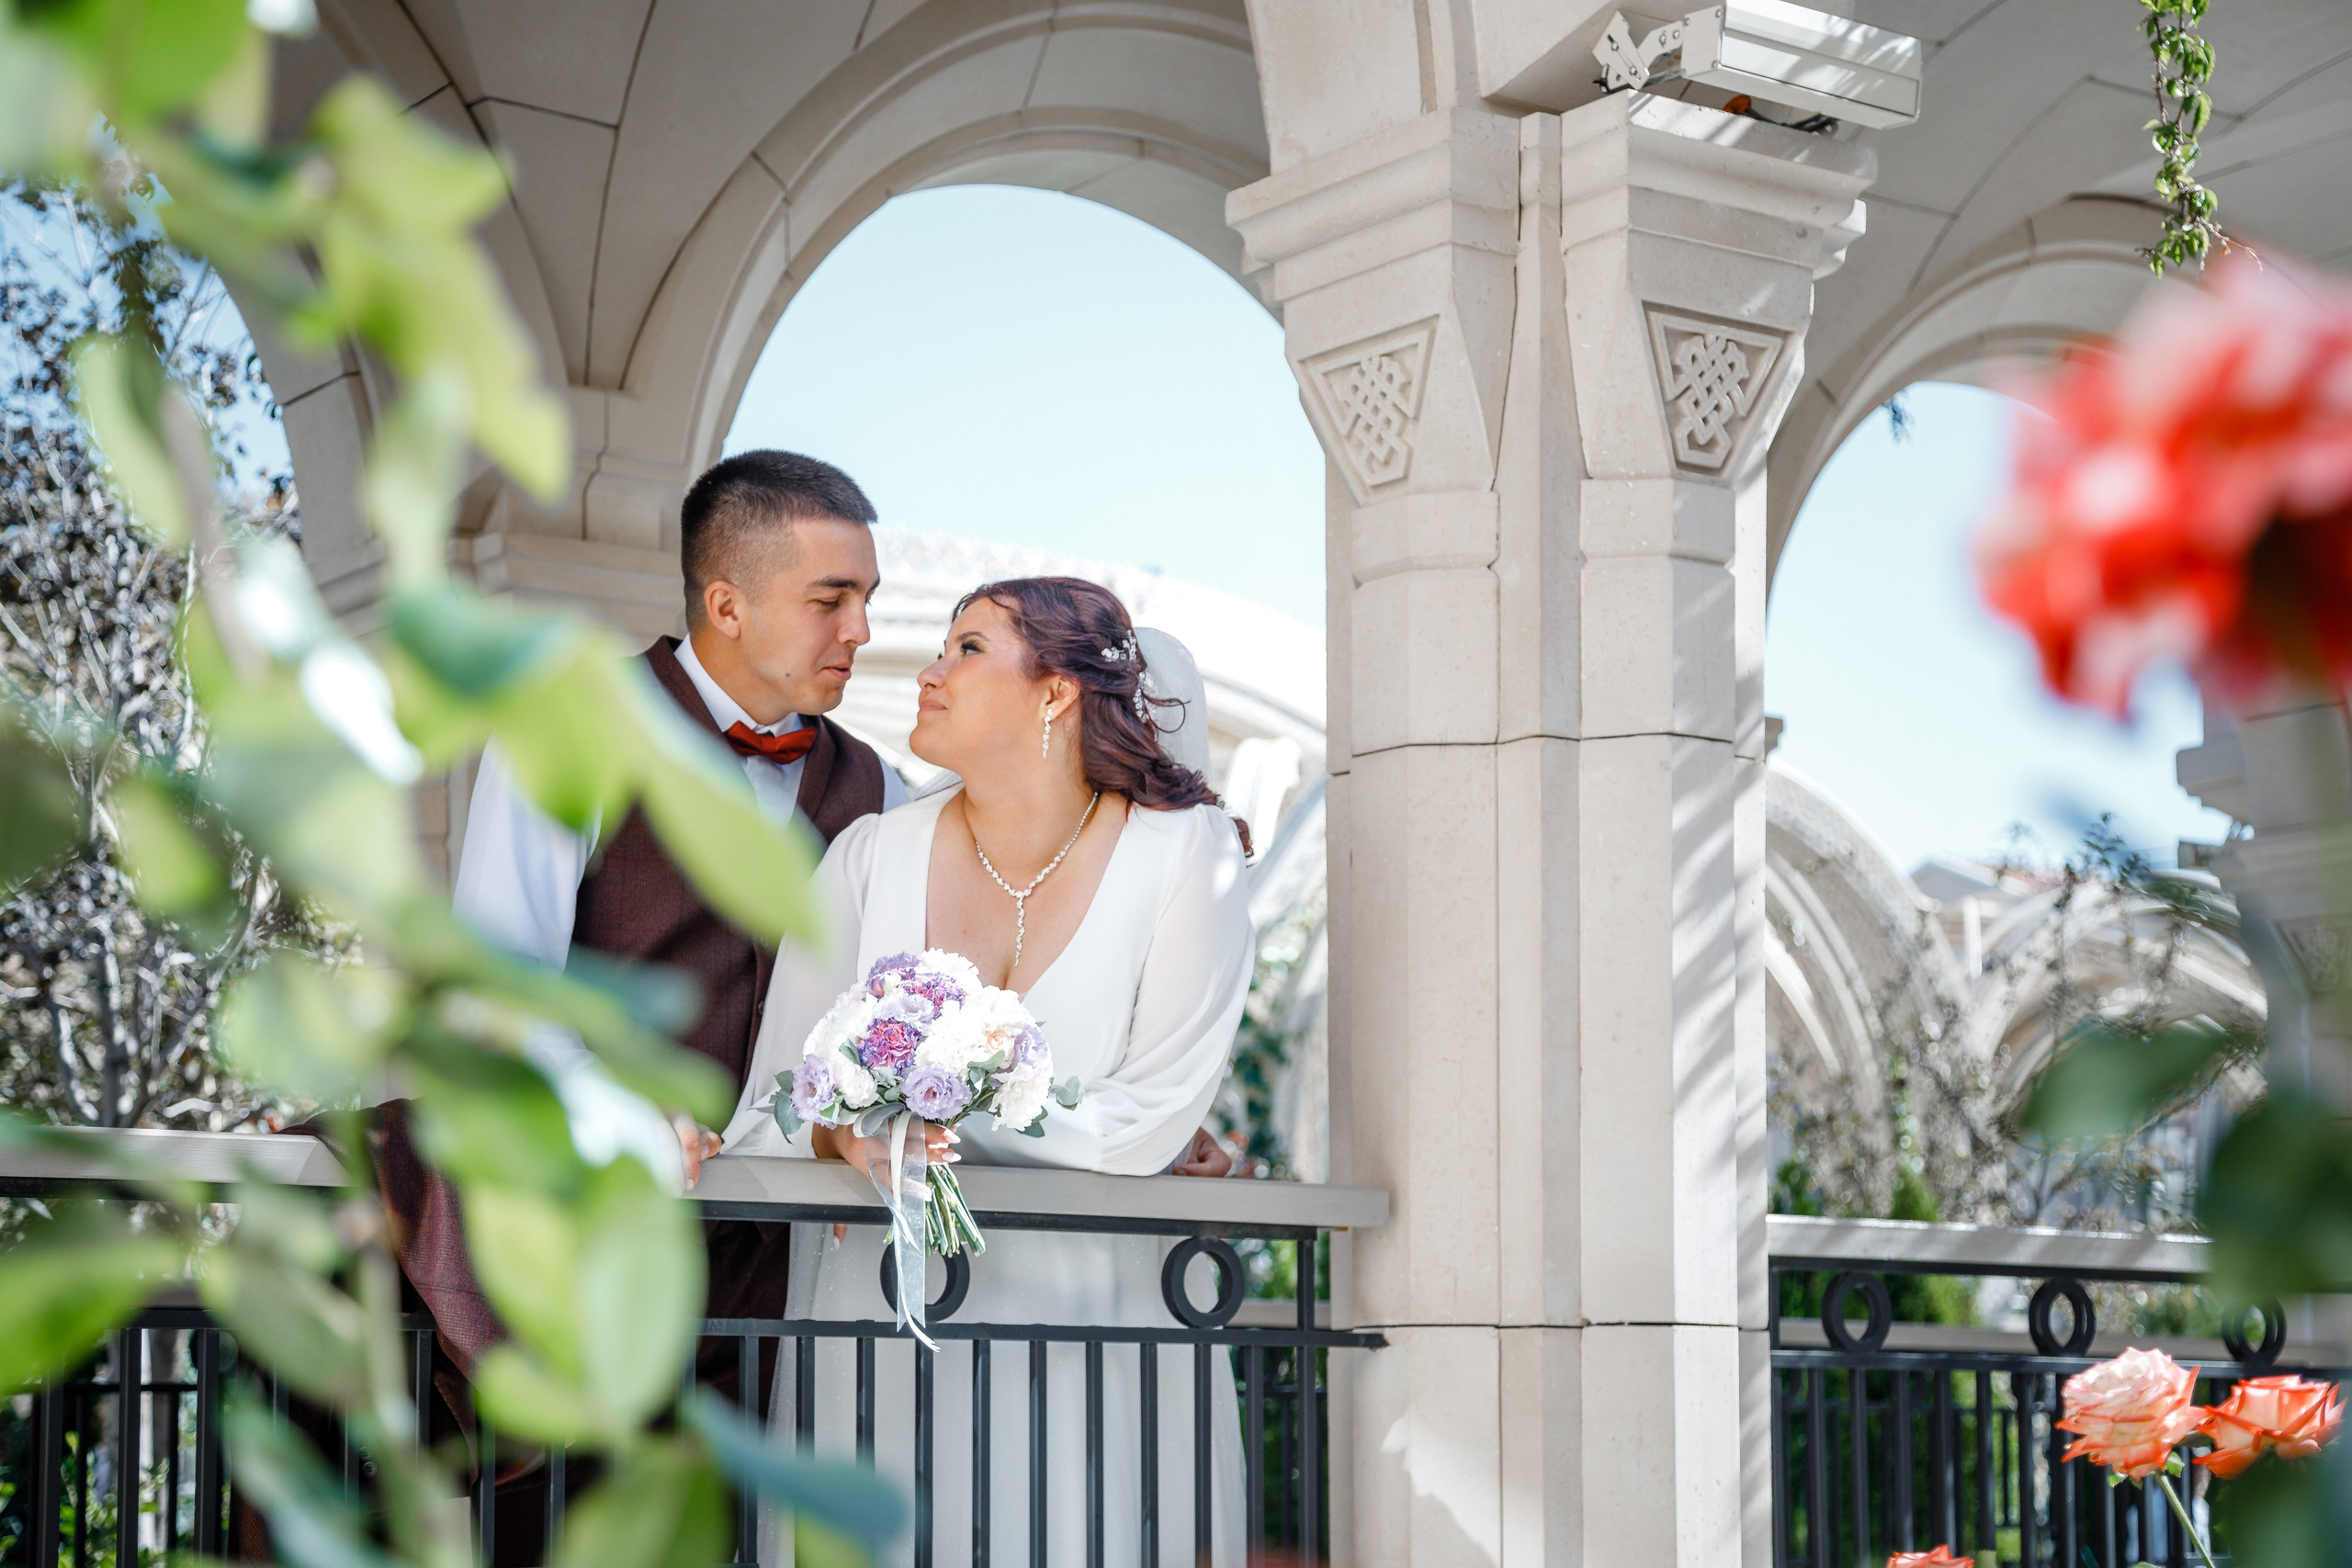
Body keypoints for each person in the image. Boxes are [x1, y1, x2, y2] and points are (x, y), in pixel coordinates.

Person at [720, 577, 1255, 1568]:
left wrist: (936, 1109)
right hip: (879, 1319)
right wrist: (845, 1128)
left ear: (1055, 692)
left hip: (1091, 1323)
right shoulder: (869, 855)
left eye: (966, 649)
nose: (928, 671)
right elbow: (776, 1099)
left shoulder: (1187, 855)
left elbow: (1150, 1125)